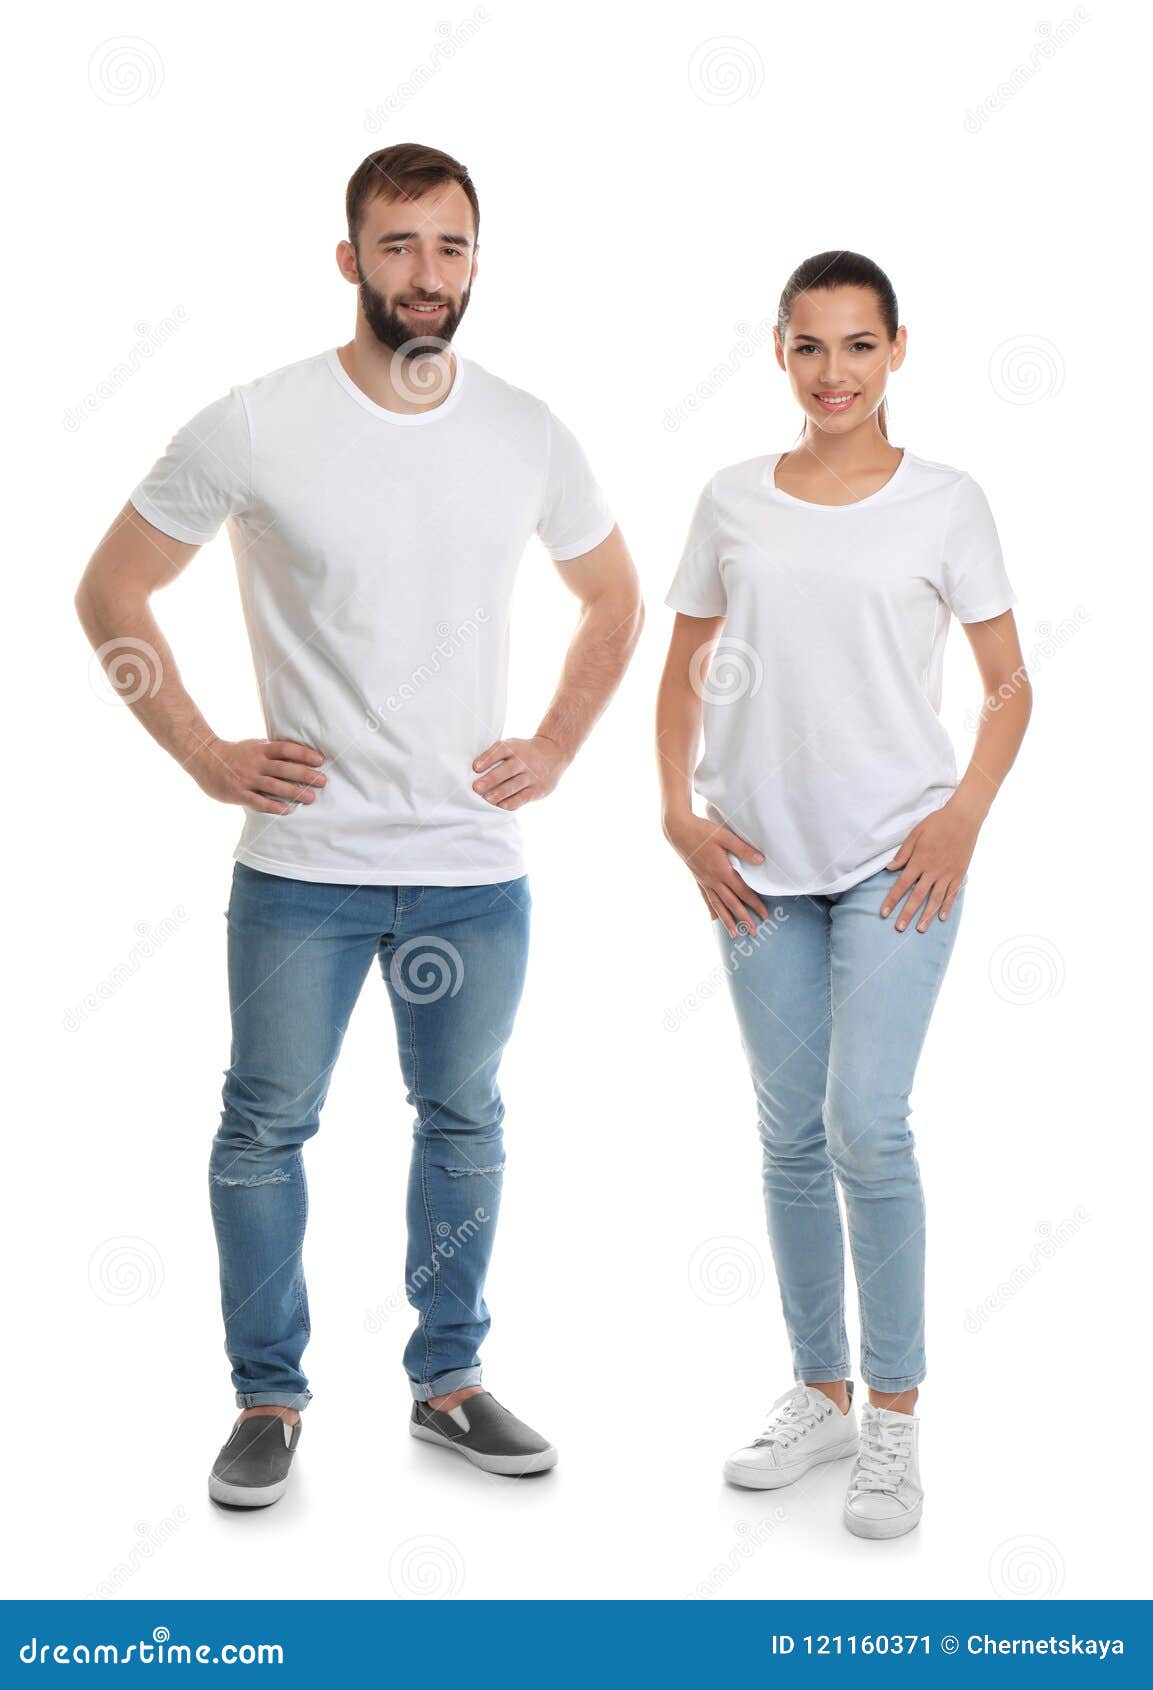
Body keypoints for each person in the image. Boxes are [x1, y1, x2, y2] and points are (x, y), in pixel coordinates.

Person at [76, 141, 643, 1507]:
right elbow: (110, 593)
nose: (425, 274)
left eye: (450, 247)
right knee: (264, 1127)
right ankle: (267, 1399)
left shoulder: (525, 429)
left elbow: (615, 598)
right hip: (304, 871)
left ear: (475, 263)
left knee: (462, 1121)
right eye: (396, 246)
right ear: (350, 260)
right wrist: (208, 752)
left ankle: (448, 1382)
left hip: (469, 868)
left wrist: (558, 741)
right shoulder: (256, 424)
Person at [656, 250, 1030, 1539]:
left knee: (866, 1122)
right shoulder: (730, 501)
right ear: (778, 352)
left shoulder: (946, 503)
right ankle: (818, 1391)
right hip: (755, 863)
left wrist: (961, 820)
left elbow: (1009, 686)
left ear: (898, 350)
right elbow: (681, 667)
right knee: (788, 1134)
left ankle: (895, 1424)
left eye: (858, 346)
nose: (834, 373)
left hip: (894, 859)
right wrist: (679, 816)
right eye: (810, 347)